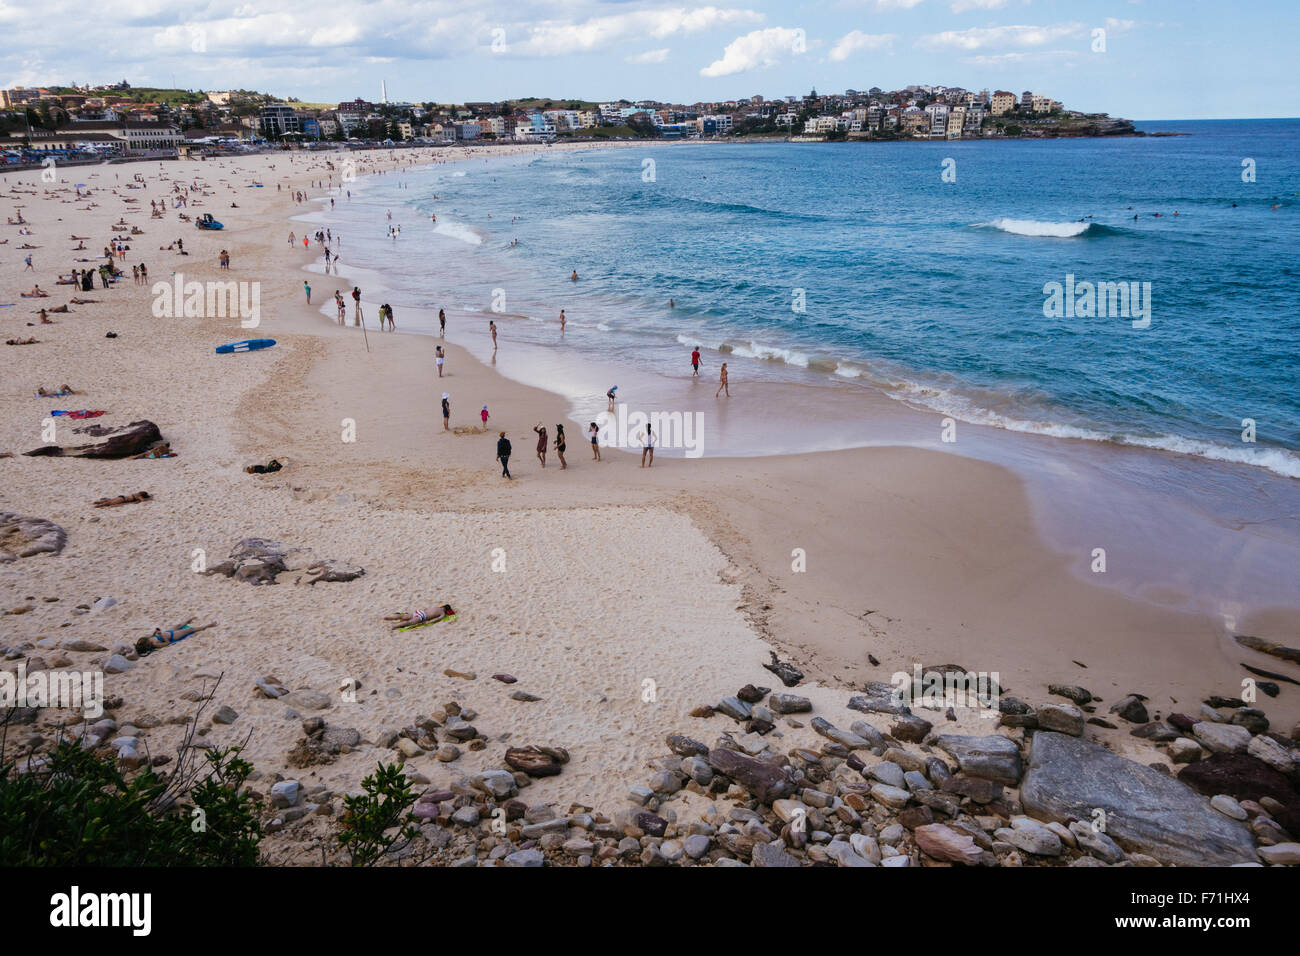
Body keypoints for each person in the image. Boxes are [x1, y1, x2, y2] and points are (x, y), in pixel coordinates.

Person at [135, 619, 217, 656]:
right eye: (147, 641)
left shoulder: (149, 639)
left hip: (167, 632)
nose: (148, 639)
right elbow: (167, 643)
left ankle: (187, 621)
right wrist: (162, 635)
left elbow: (153, 636)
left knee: (178, 625)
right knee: (190, 630)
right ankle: (208, 625)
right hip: (172, 636)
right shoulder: (155, 644)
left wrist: (156, 632)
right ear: (147, 644)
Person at [385, 604, 455, 630]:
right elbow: (436, 619)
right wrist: (428, 622)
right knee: (408, 622)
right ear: (447, 610)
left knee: (403, 616)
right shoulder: (442, 613)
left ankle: (390, 617)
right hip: (423, 616)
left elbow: (426, 608)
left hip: (420, 612)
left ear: (443, 606)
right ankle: (394, 626)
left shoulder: (436, 607)